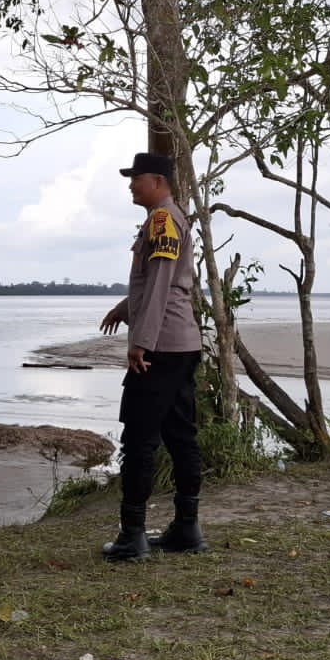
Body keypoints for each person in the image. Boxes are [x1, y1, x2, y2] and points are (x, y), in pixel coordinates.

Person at [98, 151, 206, 562]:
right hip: (181, 344)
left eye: (136, 177)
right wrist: (124, 307)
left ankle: (133, 536)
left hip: (160, 348)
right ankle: (187, 528)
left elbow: (161, 282)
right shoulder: (168, 218)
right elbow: (162, 281)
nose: (131, 184)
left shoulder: (162, 219)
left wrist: (140, 342)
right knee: (180, 435)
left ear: (158, 181)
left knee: (139, 439)